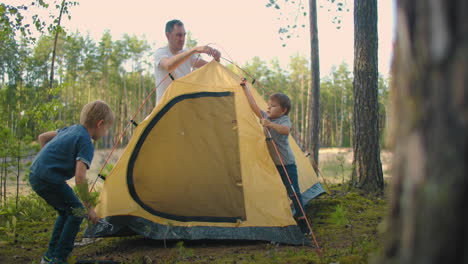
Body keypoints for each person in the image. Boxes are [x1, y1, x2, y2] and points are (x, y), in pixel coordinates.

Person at [29, 100, 114, 264]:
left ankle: (49, 257)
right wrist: (89, 208)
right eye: (107, 128)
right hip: (48, 179)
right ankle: (59, 258)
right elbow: (80, 177)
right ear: (100, 123)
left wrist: (48, 160)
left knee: (66, 211)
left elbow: (43, 137)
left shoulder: (71, 130)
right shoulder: (86, 142)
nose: (106, 132)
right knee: (78, 212)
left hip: (36, 173)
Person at [240, 80, 309, 234]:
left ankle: (302, 218)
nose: (269, 107)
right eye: (268, 105)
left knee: (293, 191)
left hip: (286, 163)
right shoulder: (266, 117)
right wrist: (246, 89)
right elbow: (254, 107)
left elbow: (285, 130)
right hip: (272, 164)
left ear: (283, 110)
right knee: (276, 190)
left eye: (273, 106)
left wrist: (270, 125)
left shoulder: (283, 120)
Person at [154, 19, 221, 104]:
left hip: (184, 107)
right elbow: (169, 65)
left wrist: (216, 59)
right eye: (178, 35)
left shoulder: (188, 55)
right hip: (165, 109)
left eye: (184, 35)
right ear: (168, 36)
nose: (182, 39)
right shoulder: (160, 53)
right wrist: (194, 50)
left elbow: (211, 68)